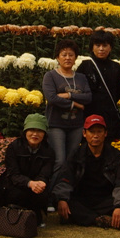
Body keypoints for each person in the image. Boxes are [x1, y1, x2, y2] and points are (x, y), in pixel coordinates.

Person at [53, 115, 120, 229]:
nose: (95, 135)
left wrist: (119, 206)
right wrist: (62, 199)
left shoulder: (115, 155)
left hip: (106, 199)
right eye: (91, 131)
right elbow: (65, 178)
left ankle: (89, 218)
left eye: (99, 131)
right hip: (82, 199)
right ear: (84, 133)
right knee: (63, 203)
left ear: (105, 133)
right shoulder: (76, 154)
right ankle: (99, 220)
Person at [42, 39, 92, 175]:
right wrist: (74, 104)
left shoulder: (81, 77)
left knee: (71, 160)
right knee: (59, 160)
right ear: (57, 57)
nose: (68, 58)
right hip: (56, 124)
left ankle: (66, 192)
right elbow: (52, 98)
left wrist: (68, 96)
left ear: (76, 58)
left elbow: (88, 97)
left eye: (71, 55)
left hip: (76, 125)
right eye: (64, 55)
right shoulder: (50, 76)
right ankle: (53, 193)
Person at [0, 113, 55, 226]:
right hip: (15, 184)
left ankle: (35, 215)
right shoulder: (14, 147)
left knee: (41, 192)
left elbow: (46, 172)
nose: (35, 134)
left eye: (39, 130)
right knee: (17, 193)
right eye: (31, 130)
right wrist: (29, 183)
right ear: (25, 131)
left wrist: (40, 182)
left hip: (36, 185)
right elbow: (13, 174)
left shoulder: (49, 151)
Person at [77, 30, 120, 143]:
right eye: (97, 45)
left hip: (109, 116)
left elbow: (119, 91)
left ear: (111, 47)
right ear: (92, 47)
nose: (101, 49)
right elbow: (78, 89)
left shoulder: (116, 68)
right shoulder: (85, 66)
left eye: (105, 45)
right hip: (89, 114)